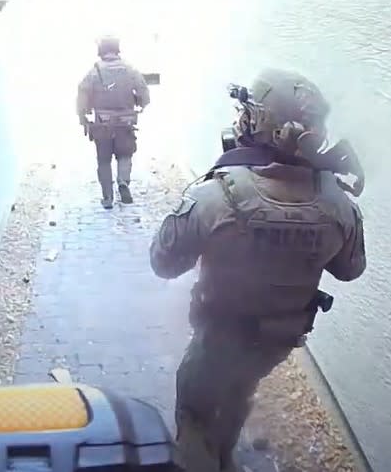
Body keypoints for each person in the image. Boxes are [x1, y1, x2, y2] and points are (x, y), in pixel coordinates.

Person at [149, 68, 367, 472]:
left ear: (258, 123)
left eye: (247, 114)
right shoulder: (339, 205)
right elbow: (350, 270)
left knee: (194, 415)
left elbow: (163, 263)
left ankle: (206, 457)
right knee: (241, 390)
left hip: (218, 336)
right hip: (280, 339)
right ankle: (226, 454)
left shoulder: (216, 195)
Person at [77, 35, 151, 209]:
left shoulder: (94, 71)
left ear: (101, 50)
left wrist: (82, 115)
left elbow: (82, 93)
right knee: (125, 155)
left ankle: (107, 197)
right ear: (117, 49)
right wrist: (140, 104)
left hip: (102, 123)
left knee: (103, 161)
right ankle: (123, 181)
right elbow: (143, 91)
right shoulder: (130, 69)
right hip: (125, 122)